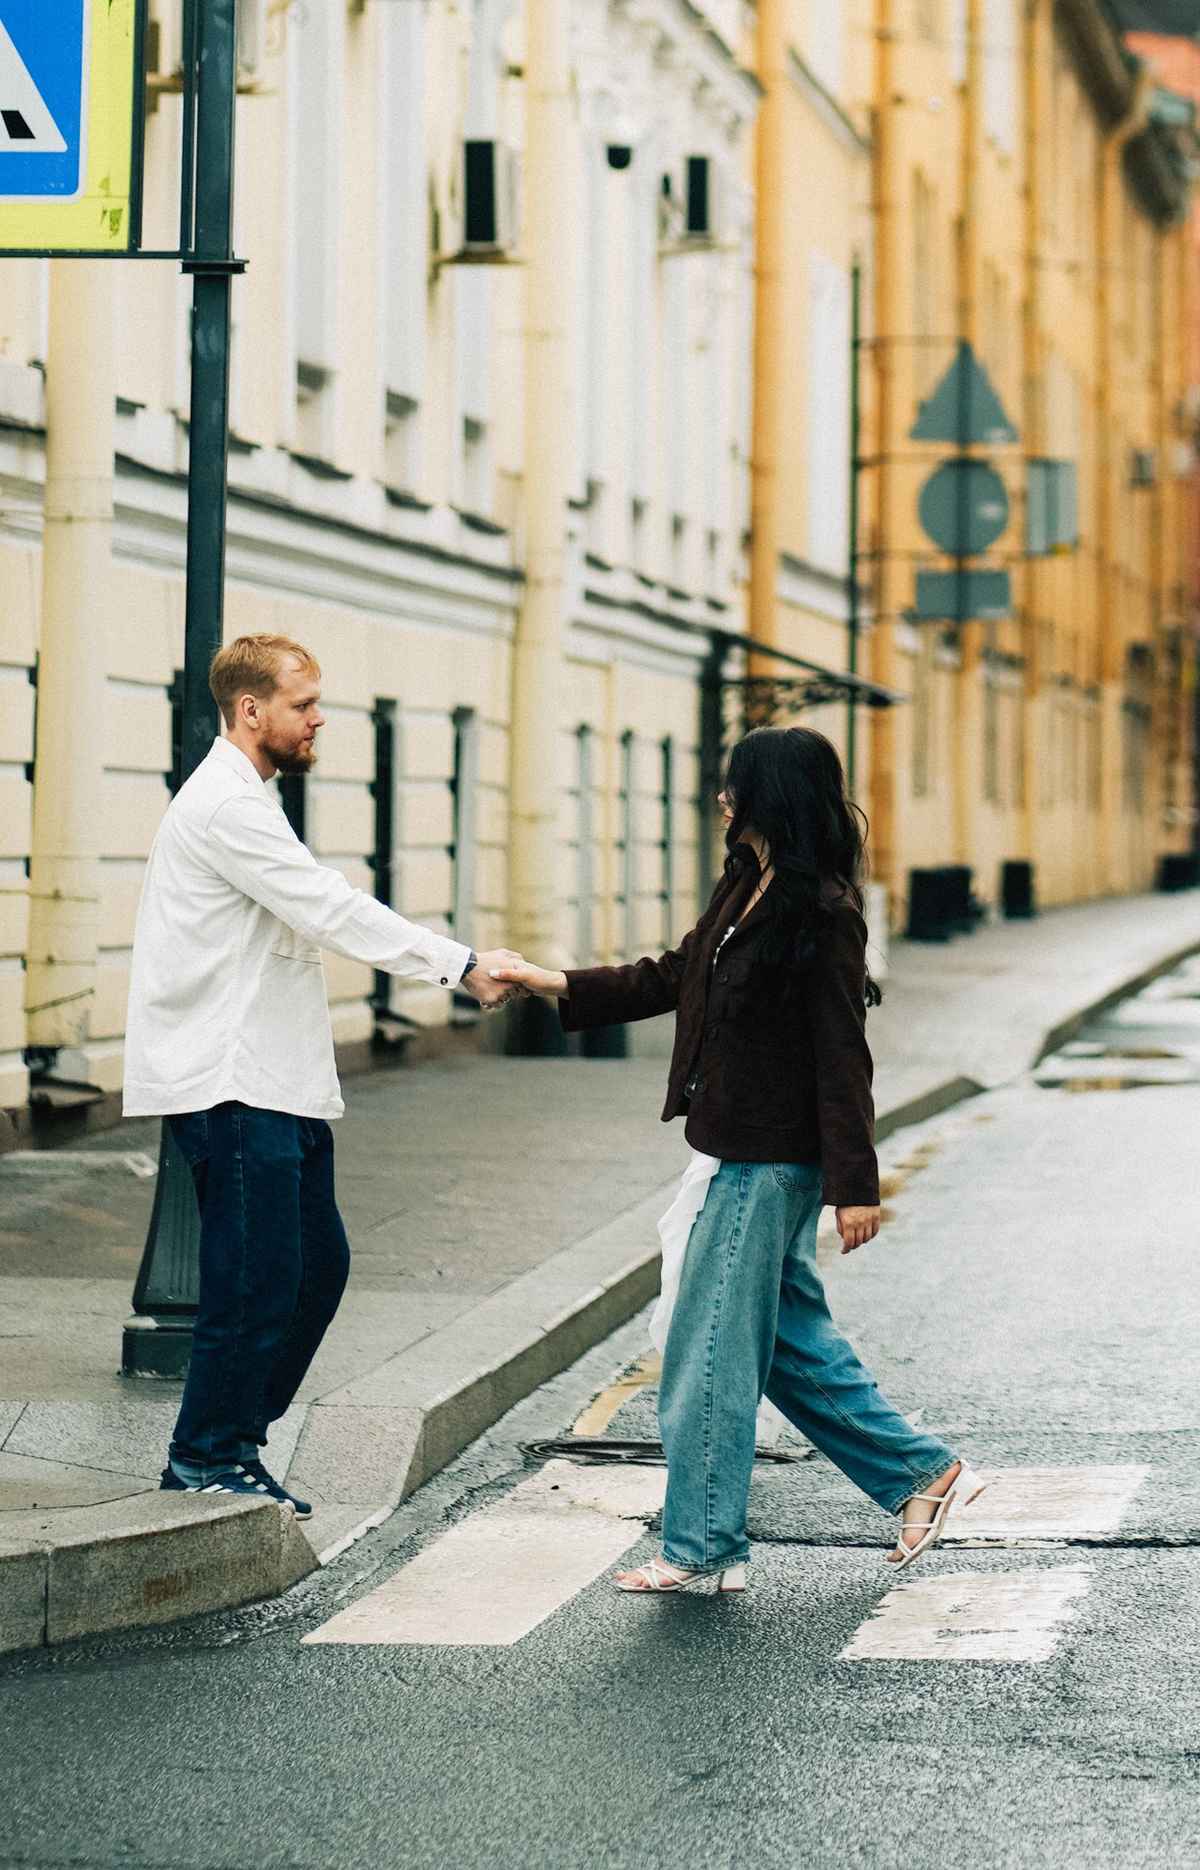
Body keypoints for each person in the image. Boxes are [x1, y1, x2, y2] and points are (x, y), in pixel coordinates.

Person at [505, 726, 973, 1597]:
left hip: (769, 1163)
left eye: (737, 787)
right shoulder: (745, 887)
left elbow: (844, 1054)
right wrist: (551, 982)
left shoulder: (823, 914)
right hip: (732, 1150)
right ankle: (922, 1476)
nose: (723, 799)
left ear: (771, 799)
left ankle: (702, 1548)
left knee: (707, 1356)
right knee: (790, 1348)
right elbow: (671, 976)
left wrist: (854, 1188)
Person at [124, 631, 525, 1511]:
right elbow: (327, 907)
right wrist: (458, 965)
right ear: (250, 710)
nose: (318, 720)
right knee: (255, 1276)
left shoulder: (253, 799)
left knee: (314, 1265)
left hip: (274, 1077)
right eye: (304, 706)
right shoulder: (225, 806)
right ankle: (206, 1453)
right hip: (231, 1080)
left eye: (317, 704)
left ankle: (233, 1438)